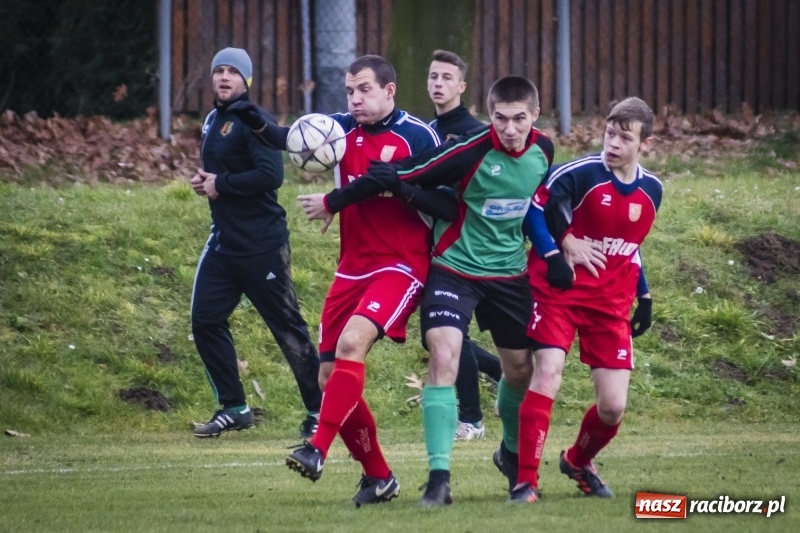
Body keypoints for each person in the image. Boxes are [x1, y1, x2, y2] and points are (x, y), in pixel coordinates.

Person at [316, 76, 555, 506]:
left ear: (535, 115)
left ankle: (511, 454)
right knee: (443, 355)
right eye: (500, 118)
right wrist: (362, 189)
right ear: (489, 115)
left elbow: (536, 205)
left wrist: (556, 250)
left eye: (520, 119)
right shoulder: (470, 150)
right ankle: (438, 479)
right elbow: (412, 170)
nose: (509, 128)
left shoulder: (545, 152)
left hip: (508, 275)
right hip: (453, 269)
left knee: (520, 371)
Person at [228, 55, 448, 507]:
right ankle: (379, 477)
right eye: (349, 91)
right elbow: (291, 138)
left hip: (401, 265)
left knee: (351, 344)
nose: (355, 99)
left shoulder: (417, 135)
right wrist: (254, 117)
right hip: (352, 267)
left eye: (364, 90)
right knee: (329, 377)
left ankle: (317, 448)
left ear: (389, 90)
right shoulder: (339, 129)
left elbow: (444, 201)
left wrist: (395, 189)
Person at [501, 97, 661, 504]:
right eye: (610, 133)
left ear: (645, 144)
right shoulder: (579, 173)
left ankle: (577, 461)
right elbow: (533, 212)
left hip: (610, 304)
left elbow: (629, 246)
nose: (613, 144)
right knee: (547, 374)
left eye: (625, 138)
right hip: (559, 292)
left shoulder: (652, 191)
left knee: (613, 408)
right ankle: (525, 482)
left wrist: (643, 294)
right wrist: (561, 247)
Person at [188, 47, 322, 440]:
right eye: (219, 70)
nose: (224, 77)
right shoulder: (213, 119)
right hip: (223, 243)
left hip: (262, 245)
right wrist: (206, 181)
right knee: (205, 320)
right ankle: (234, 408)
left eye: (233, 72)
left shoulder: (253, 119)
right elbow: (221, 174)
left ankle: (319, 411)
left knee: (288, 329)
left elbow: (270, 176)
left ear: (246, 80)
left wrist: (222, 184)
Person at [426, 49, 502, 441]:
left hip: (464, 248)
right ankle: (498, 371)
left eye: (446, 78)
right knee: (439, 335)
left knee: (452, 335)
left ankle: (471, 419)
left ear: (461, 86)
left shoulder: (474, 134)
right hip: (428, 243)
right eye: (433, 76)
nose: (438, 83)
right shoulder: (426, 131)